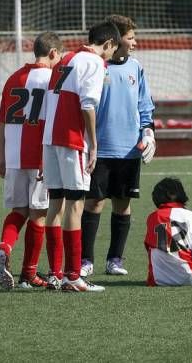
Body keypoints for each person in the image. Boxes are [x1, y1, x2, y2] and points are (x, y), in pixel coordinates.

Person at [42, 20, 120, 292]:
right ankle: (73, 276)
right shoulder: (94, 63)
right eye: (113, 49)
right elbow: (88, 105)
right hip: (72, 140)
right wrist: (94, 144)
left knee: (55, 205)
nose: (111, 56)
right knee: (75, 205)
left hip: (50, 139)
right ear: (108, 43)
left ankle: (55, 274)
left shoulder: (67, 59)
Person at [80, 15, 155, 278]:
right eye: (130, 37)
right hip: (99, 150)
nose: (134, 42)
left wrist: (149, 132)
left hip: (129, 150)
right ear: (116, 40)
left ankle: (114, 259)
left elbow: (145, 106)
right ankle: (85, 260)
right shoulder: (96, 66)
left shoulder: (136, 68)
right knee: (93, 203)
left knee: (123, 205)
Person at [0, 32, 64, 290]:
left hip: (13, 156)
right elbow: (55, 119)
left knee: (18, 211)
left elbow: (1, 122)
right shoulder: (53, 80)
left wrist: (1, 157)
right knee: (39, 215)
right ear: (54, 53)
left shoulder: (14, 78)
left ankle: (4, 247)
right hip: (39, 157)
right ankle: (28, 274)